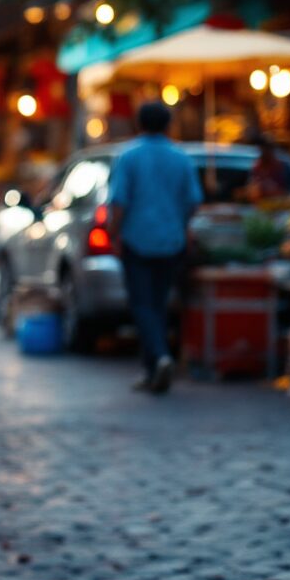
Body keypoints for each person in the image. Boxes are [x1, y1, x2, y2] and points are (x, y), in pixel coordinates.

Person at [108, 101, 203, 394]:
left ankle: (160, 358)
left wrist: (114, 235)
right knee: (158, 304)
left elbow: (119, 202)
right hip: (170, 242)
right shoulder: (181, 158)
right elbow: (193, 201)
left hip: (137, 241)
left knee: (142, 305)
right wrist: (179, 224)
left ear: (139, 123)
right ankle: (153, 369)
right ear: (168, 124)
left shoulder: (129, 157)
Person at [247, 137, 290, 202]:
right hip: (262, 206)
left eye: (267, 149)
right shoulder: (257, 167)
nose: (264, 153)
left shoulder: (284, 166)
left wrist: (281, 192)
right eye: (262, 150)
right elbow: (251, 187)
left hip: (282, 205)